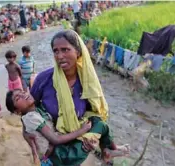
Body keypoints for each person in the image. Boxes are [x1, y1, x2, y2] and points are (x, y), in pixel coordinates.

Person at [25, 30, 129, 165]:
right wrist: (25, 132)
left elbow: (95, 113)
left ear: (78, 52)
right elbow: (27, 109)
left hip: (80, 140)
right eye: (56, 51)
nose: (60, 56)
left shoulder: (87, 80)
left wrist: (91, 137)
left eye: (65, 50)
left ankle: (107, 152)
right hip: (53, 142)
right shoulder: (44, 80)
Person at [5, 89, 92, 165]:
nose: (23, 94)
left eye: (23, 92)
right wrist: (82, 130)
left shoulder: (37, 110)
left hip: (54, 152)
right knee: (85, 148)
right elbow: (55, 139)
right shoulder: (30, 117)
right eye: (17, 98)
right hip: (57, 154)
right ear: (17, 111)